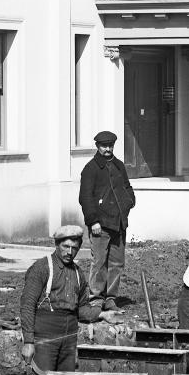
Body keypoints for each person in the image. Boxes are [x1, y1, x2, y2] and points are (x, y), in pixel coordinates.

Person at [20, 225, 113, 375]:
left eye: (74, 247)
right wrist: (28, 340)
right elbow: (27, 305)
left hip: (68, 337)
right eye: (65, 246)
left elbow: (81, 309)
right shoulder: (42, 268)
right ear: (57, 245)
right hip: (45, 333)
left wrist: (99, 313)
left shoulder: (79, 275)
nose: (70, 251)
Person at [79, 130, 135, 311]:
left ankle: (111, 298)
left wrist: (130, 201)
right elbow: (85, 198)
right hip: (100, 225)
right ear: (97, 146)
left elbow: (127, 187)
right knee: (99, 262)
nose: (107, 149)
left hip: (119, 223)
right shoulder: (90, 168)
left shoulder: (119, 165)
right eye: (104, 146)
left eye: (110, 145)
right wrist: (93, 221)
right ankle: (96, 299)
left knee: (117, 263)